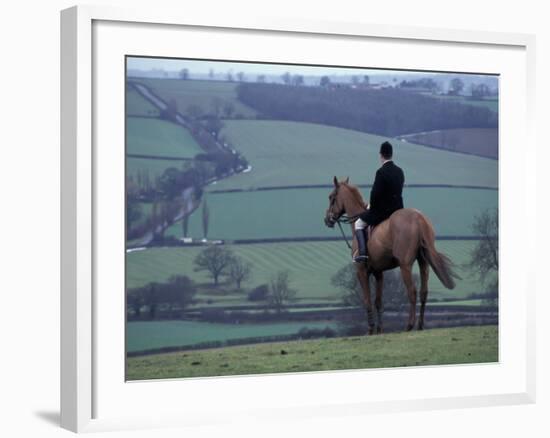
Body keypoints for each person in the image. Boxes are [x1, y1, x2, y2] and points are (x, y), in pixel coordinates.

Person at [354, 141, 405, 263]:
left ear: (381, 155)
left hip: (383, 212)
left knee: (358, 223)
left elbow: (375, 193)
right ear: (391, 154)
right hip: (398, 210)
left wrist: (371, 206)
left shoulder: (381, 172)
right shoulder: (400, 171)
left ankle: (363, 254)